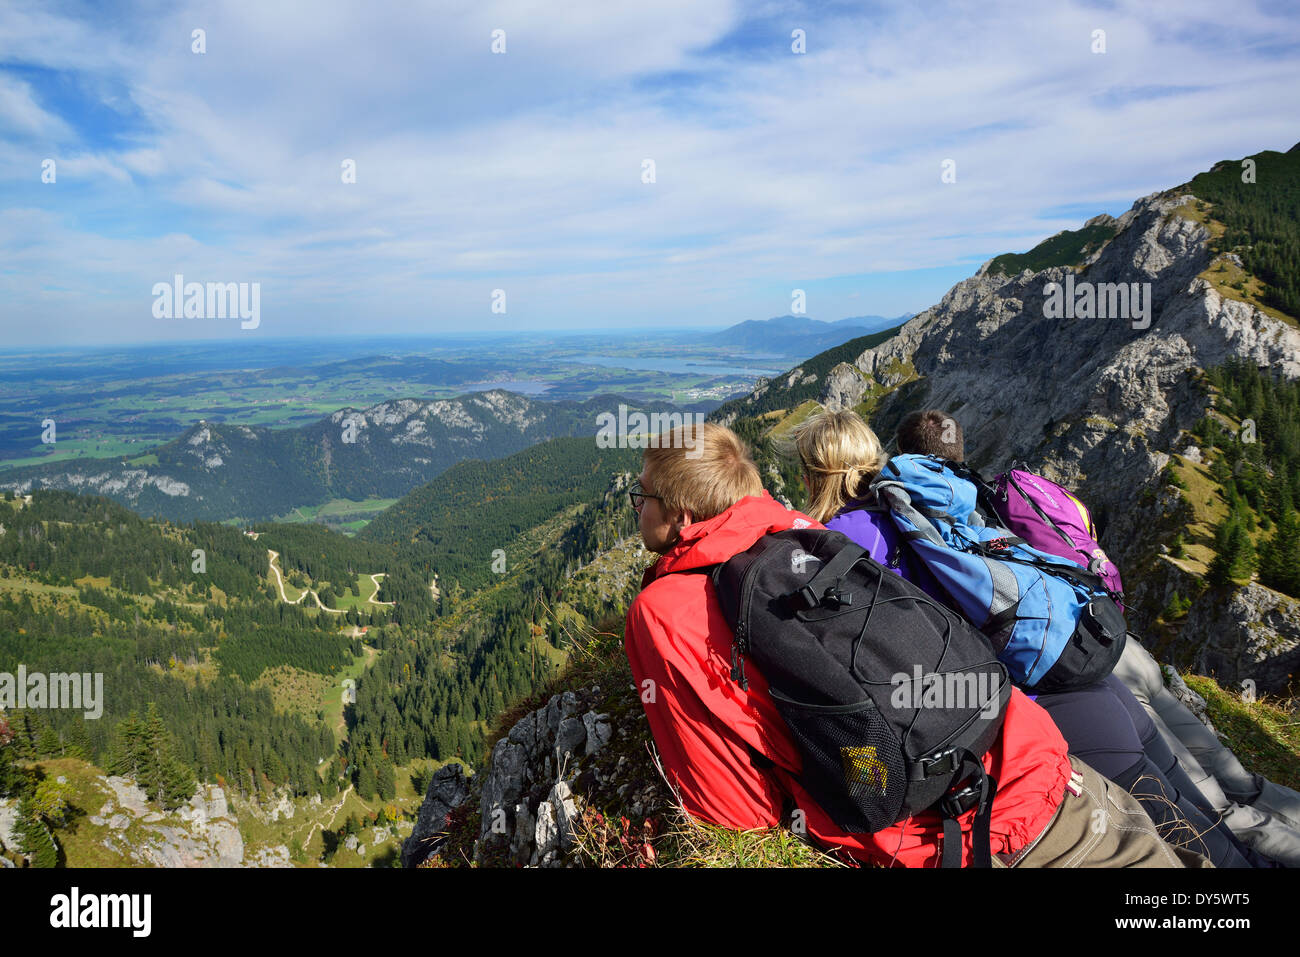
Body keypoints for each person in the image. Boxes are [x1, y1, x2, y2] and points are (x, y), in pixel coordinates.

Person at [623, 420, 1205, 867]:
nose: (636, 505)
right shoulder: (813, 537)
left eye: (641, 495)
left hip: (989, 840)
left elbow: (730, 808)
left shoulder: (665, 612)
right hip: (1047, 764)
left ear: (678, 515)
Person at [882, 409, 1257, 866]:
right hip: (1098, 665)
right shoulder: (983, 502)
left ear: (901, 454)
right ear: (961, 452)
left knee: (1182, 836)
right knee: (1199, 810)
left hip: (1062, 705)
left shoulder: (903, 523)